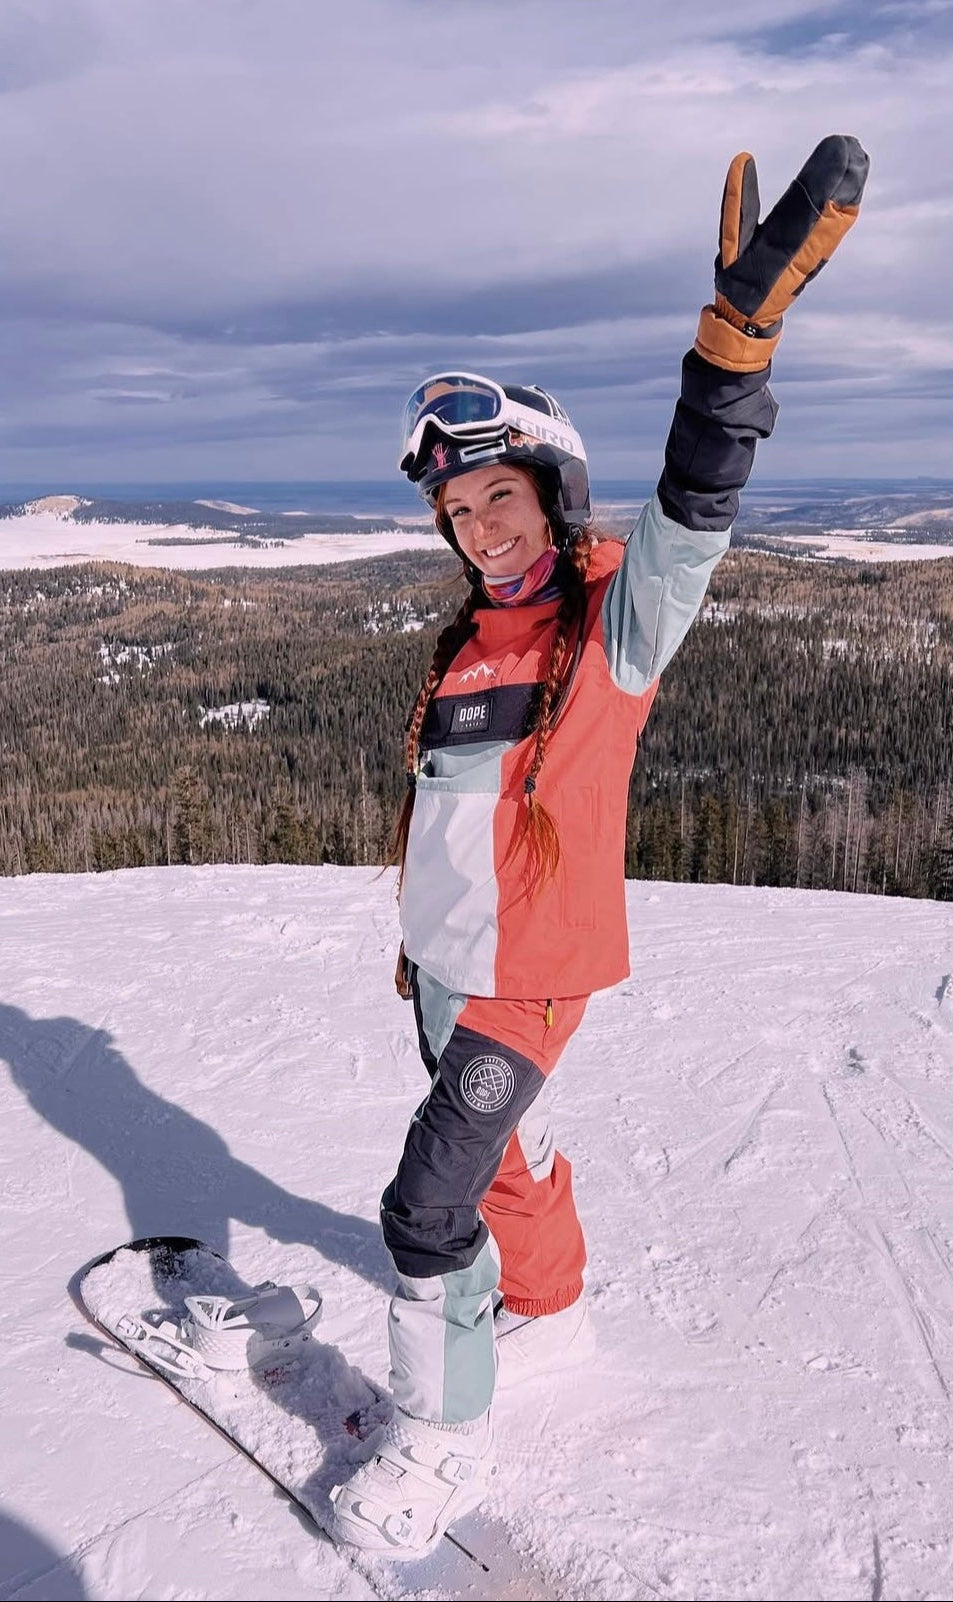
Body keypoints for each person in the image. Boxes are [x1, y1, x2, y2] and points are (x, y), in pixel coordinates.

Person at [330, 134, 869, 1559]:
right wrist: (413, 946)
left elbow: (696, 504)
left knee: (425, 1197)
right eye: (455, 510)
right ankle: (550, 1298)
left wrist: (730, 349)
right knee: (494, 1163)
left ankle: (436, 1439)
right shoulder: (469, 638)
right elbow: (450, 810)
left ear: (555, 490)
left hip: (533, 971)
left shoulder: (608, 629)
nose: (476, 525)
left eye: (498, 494)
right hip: (446, 966)